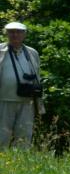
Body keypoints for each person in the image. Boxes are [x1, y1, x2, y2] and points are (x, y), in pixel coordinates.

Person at [0, 21, 41, 149]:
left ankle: (21, 163)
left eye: (19, 32)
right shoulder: (1, 50)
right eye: (11, 32)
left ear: (24, 35)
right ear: (6, 34)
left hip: (27, 101)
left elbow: (37, 74)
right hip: (3, 100)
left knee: (24, 136)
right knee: (2, 135)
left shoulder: (32, 53)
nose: (15, 35)